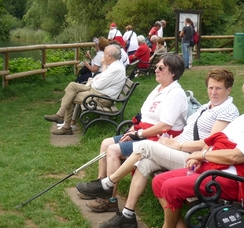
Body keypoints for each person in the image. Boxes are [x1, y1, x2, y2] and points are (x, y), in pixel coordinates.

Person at [77, 70, 239, 228]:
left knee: (145, 146)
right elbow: (188, 133)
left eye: (219, 88)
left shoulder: (228, 110)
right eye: (210, 87)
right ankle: (127, 215)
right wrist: (171, 141)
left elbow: (210, 143)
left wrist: (178, 145)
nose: (213, 92)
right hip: (180, 149)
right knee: (144, 163)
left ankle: (108, 184)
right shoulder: (207, 106)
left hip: (195, 158)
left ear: (229, 90)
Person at [144, 75, 244, 228]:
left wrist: (203, 154)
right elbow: (217, 139)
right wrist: (200, 157)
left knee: (170, 186)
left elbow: (236, 156)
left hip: (232, 181)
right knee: (159, 181)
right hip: (213, 171)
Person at [76, 54, 188, 194]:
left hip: (159, 139)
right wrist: (131, 131)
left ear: (173, 73)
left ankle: (109, 196)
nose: (156, 70)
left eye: (161, 68)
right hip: (144, 133)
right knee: (106, 143)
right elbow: (143, 116)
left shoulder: (175, 93)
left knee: (113, 150)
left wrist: (137, 134)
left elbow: (165, 126)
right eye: (156, 67)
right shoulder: (159, 88)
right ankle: (100, 183)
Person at [44, 45, 126, 135]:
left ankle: (66, 126)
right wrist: (96, 79)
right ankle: (60, 115)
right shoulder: (114, 65)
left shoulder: (116, 69)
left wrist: (94, 80)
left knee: (70, 96)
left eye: (104, 54)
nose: (103, 56)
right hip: (97, 92)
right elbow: (100, 77)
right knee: (72, 86)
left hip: (102, 98)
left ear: (109, 56)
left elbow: (98, 85)